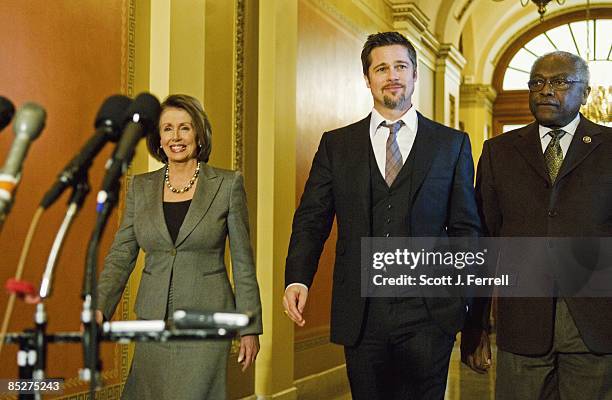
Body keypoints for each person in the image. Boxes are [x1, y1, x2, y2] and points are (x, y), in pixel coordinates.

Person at [283, 31, 481, 399]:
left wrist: (464, 295)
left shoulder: (450, 144)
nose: (392, 75)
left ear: (415, 74)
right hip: (362, 311)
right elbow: (312, 218)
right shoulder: (337, 145)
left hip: (429, 311)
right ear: (367, 78)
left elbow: (466, 227)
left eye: (401, 66)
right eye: (382, 68)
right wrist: (298, 279)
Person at [464, 51, 612, 399]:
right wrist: (476, 323)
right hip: (521, 325)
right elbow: (485, 242)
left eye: (560, 81)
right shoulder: (498, 151)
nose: (546, 90)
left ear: (586, 93)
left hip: (596, 326)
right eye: (537, 82)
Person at [96, 94, 262, 400]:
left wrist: (249, 326)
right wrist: (100, 308)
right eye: (168, 128)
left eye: (184, 128)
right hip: (152, 320)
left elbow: (242, 262)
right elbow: (121, 255)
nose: (176, 137)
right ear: (158, 138)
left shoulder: (227, 185)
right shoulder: (140, 188)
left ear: (199, 135)